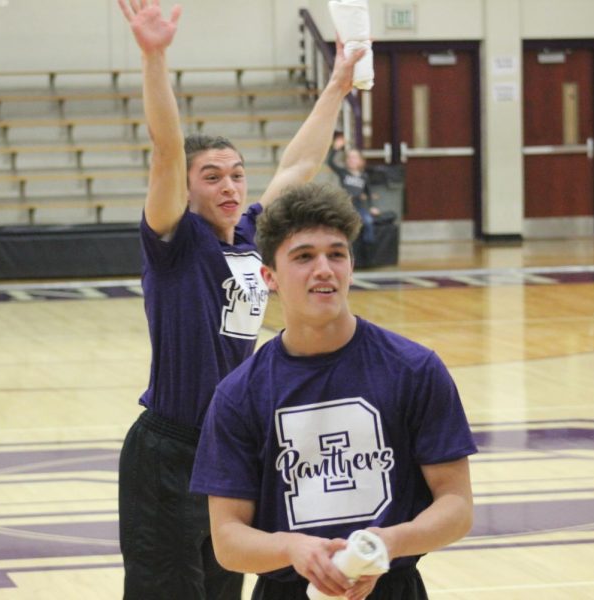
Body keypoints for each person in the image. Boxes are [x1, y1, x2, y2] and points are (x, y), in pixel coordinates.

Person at [114, 1, 364, 598]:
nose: (228, 186)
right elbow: (167, 150)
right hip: (167, 450)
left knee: (227, 589)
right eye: (212, 176)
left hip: (227, 448)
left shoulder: (253, 236)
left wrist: (337, 83)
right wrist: (155, 58)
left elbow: (301, 161)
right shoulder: (176, 240)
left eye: (236, 174)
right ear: (189, 189)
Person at [190, 182, 477, 600]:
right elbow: (228, 540)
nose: (324, 268)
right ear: (268, 276)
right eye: (304, 256)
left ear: (351, 265)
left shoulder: (414, 369)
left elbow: (457, 506)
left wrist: (388, 544)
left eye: (336, 254)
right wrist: (293, 549)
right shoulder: (239, 394)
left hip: (392, 589)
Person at [326, 133, 380, 247]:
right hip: (346, 204)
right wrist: (335, 148)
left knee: (368, 222)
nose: (352, 160)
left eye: (355, 157)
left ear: (361, 161)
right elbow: (330, 162)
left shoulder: (364, 176)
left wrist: (372, 207)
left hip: (358, 206)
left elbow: (368, 192)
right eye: (349, 157)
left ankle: (368, 247)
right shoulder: (343, 173)